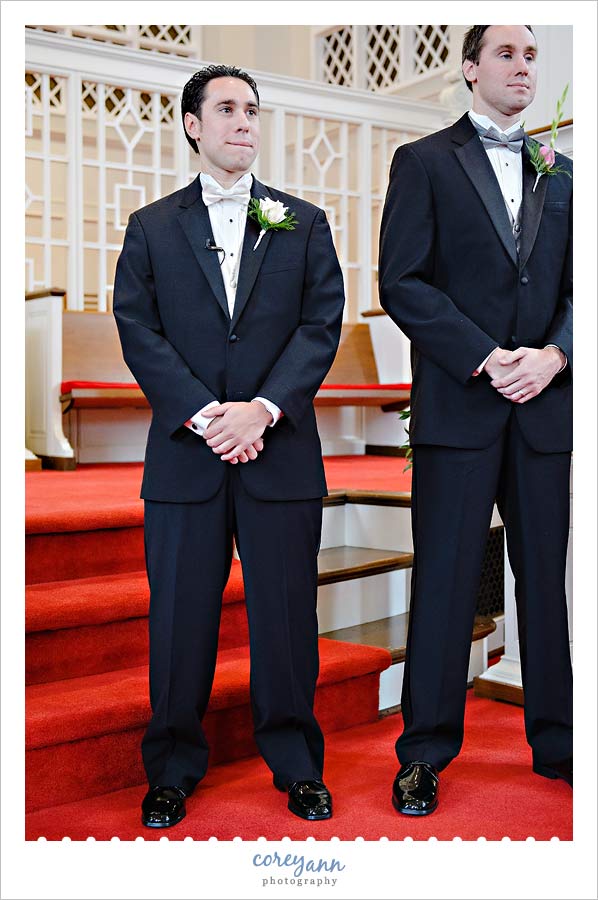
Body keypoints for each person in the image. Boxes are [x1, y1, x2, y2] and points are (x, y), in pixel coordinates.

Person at [113, 64, 344, 828]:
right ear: (193, 125)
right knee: (180, 619)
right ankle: (173, 767)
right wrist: (210, 415)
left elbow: (320, 326)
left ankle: (297, 765)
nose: (244, 121)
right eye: (227, 109)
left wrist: (264, 411)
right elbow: (138, 329)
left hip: (279, 450)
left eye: (252, 109)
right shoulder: (150, 226)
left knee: (285, 618)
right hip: (188, 455)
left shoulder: (303, 221)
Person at [379, 25, 572, 815]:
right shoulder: (423, 162)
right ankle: (424, 752)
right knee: (449, 581)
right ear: (469, 68)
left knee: (546, 584)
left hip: (545, 410)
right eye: (505, 54)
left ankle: (559, 742)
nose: (522, 67)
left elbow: (578, 290)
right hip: (461, 408)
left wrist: (556, 356)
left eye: (531, 56)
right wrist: (489, 357)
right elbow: (404, 281)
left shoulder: (564, 174)